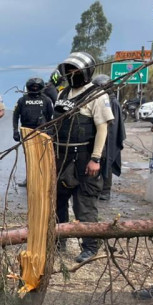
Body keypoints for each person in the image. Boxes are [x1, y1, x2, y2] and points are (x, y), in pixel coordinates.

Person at [53, 52, 113, 264]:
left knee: (84, 204)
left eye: (75, 70)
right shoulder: (62, 94)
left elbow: (102, 129)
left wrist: (96, 158)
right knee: (58, 201)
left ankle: (90, 247)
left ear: (86, 72)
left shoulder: (97, 95)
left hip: (85, 157)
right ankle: (59, 241)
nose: (71, 74)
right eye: (68, 70)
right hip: (61, 156)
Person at [12, 77, 54, 186]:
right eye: (33, 86)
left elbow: (51, 117)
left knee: (42, 156)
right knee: (29, 156)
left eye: (37, 86)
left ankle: (42, 179)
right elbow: (15, 116)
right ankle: (29, 178)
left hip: (42, 131)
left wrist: (50, 131)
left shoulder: (46, 100)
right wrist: (15, 131)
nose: (35, 88)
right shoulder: (22, 100)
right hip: (26, 131)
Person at [91, 74, 125, 201]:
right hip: (102, 137)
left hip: (109, 138)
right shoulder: (104, 100)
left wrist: (106, 141)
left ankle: (106, 190)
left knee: (107, 163)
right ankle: (98, 188)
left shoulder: (111, 101)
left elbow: (112, 125)